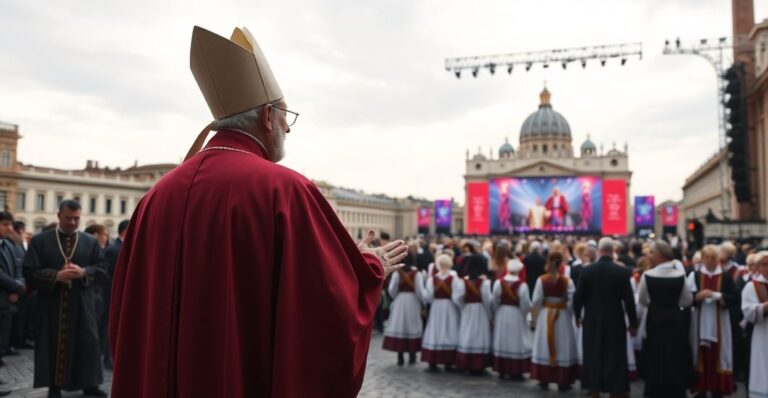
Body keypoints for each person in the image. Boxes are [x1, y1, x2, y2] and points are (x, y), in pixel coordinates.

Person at [108, 26, 407, 398]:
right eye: (286, 117)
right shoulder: (285, 190)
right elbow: (323, 313)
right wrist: (368, 267)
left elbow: (124, 315)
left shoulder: (156, 196)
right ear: (268, 117)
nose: (287, 129)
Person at [23, 200, 107, 398]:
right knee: (52, 344)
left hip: (83, 304)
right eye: (68, 218)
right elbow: (28, 271)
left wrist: (83, 272)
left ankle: (90, 384)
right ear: (59, 215)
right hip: (51, 304)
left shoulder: (90, 241)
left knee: (87, 343)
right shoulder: (40, 241)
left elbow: (103, 268)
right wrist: (56, 276)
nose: (72, 222)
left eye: (76, 218)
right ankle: (54, 386)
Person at [573, 238, 638, 398]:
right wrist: (633, 323)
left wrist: (577, 315)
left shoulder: (587, 271)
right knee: (615, 355)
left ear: (599, 251)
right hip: (615, 318)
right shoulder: (622, 272)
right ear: (613, 251)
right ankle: (615, 390)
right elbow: (629, 300)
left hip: (592, 319)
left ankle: (594, 390)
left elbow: (578, 297)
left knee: (592, 353)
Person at [638, 240, 693, 398]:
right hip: (675, 319)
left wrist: (656, 304)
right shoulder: (680, 275)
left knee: (655, 353)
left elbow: (642, 300)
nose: (649, 255)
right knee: (675, 353)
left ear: (661, 255)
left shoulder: (647, 275)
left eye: (652, 252)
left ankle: (654, 390)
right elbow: (687, 301)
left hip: (655, 318)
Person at [687, 245, 738, 397]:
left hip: (719, 321)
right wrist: (697, 296)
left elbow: (735, 298)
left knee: (718, 353)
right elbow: (687, 298)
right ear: (702, 259)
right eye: (707, 257)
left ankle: (718, 388)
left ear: (718, 259)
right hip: (699, 320)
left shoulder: (725, 276)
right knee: (701, 352)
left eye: (713, 258)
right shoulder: (695, 275)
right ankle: (701, 387)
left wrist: (717, 295)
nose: (710, 261)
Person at [530, 251, 578, 392]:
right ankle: (563, 381)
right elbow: (572, 303)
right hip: (562, 316)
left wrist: (539, 312)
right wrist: (568, 312)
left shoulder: (542, 280)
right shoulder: (568, 281)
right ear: (561, 263)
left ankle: (544, 379)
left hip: (546, 315)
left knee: (544, 344)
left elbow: (536, 301)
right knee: (563, 344)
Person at [491, 259, 532, 380]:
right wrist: (525, 314)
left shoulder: (498, 283)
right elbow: (525, 304)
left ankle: (502, 368)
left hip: (502, 313)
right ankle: (515, 369)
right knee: (516, 339)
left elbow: (494, 300)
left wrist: (496, 312)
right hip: (516, 314)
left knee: (503, 338)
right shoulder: (522, 285)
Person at [421, 254, 461, 372]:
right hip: (449, 307)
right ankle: (448, 361)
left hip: (436, 307)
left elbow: (428, 297)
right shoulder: (454, 279)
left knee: (435, 330)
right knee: (449, 329)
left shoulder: (432, 279)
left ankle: (433, 361)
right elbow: (457, 297)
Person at [454, 260, 493, 374]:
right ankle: (479, 364)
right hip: (480, 310)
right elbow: (487, 300)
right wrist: (490, 314)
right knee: (480, 334)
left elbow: (457, 298)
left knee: (466, 333)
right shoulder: (485, 282)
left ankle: (465, 361)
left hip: (468, 309)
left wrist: (463, 307)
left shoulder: (463, 281)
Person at [382, 265, 424, 366]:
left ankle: (400, 356)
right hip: (413, 302)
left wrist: (397, 297)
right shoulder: (417, 274)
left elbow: (392, 290)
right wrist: (422, 301)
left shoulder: (397, 273)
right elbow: (419, 291)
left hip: (400, 301)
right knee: (412, 327)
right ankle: (412, 355)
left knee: (400, 327)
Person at [101, 219, 128, 370]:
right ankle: (109, 358)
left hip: (120, 295)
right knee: (110, 325)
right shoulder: (114, 249)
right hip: (112, 295)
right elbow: (107, 274)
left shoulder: (123, 247)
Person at [741, 251, 768, 398]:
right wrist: (764, 307)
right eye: (765, 264)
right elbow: (747, 311)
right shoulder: (752, 287)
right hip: (761, 334)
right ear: (758, 267)